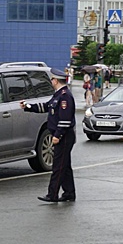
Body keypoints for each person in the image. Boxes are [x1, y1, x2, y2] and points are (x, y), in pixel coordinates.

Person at [20, 68, 76, 203]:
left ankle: (52, 194)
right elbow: (47, 107)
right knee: (65, 166)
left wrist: (57, 136)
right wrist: (28, 106)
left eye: (52, 79)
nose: (51, 81)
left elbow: (65, 120)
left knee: (58, 166)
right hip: (62, 135)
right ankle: (69, 193)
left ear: (55, 81)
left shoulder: (65, 97)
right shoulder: (57, 95)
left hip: (64, 136)